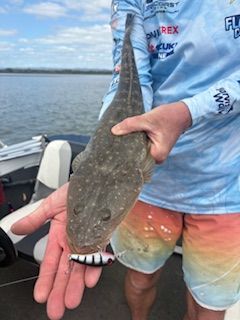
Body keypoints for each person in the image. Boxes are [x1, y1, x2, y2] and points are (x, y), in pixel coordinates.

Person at [12, 1, 240, 319]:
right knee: (139, 276)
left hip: (227, 186)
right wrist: (110, 134)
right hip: (151, 191)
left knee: (209, 303)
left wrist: (189, 111)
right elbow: (129, 74)